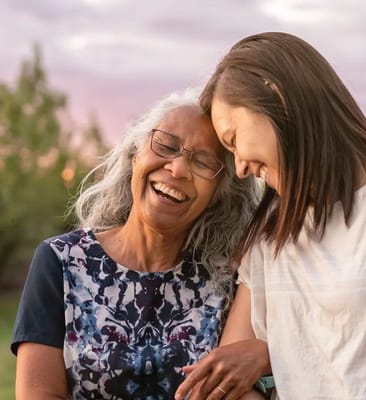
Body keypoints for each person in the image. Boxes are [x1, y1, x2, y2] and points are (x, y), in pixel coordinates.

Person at [175, 32, 366, 400]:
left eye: (233, 139)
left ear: (276, 95)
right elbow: (222, 386)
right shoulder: (271, 237)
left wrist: (273, 353)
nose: (241, 167)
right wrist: (271, 357)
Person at [11, 88, 260, 399]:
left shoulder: (229, 281)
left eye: (203, 163)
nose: (178, 169)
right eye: (166, 146)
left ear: (219, 195)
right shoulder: (61, 261)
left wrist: (265, 356)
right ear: (134, 155)